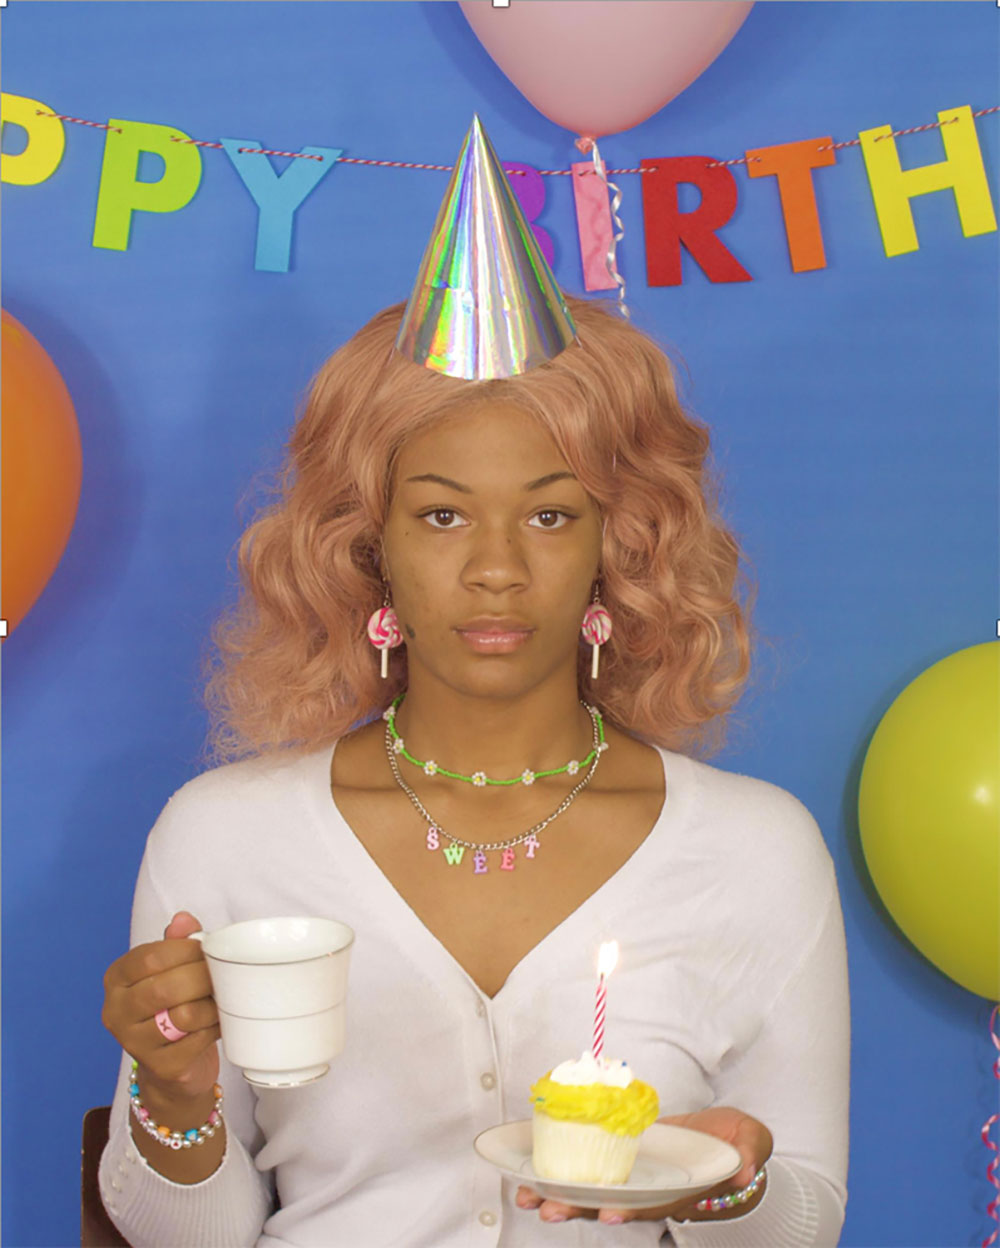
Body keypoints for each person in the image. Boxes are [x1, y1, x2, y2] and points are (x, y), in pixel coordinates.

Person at [98, 119, 849, 1247]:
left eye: (549, 515)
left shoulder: (755, 852)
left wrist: (733, 1185)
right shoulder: (224, 841)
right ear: (368, 545)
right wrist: (172, 1099)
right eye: (442, 514)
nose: (496, 568)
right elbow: (180, 1236)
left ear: (619, 541)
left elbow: (805, 1221)